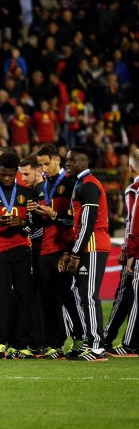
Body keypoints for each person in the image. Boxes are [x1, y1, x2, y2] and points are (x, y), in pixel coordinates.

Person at [0, 152, 38, 359]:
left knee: (24, 296)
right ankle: (1, 342)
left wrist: (23, 223)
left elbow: (36, 226)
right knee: (1, 298)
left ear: (16, 172)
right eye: (4, 174)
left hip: (22, 248)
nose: (8, 178)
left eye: (11, 174)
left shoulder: (28, 192)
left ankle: (21, 344)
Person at [57, 147, 111, 361]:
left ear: (83, 161)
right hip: (86, 245)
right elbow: (79, 224)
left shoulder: (88, 185)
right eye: (66, 160)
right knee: (80, 294)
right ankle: (89, 341)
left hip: (94, 245)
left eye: (71, 160)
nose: (67, 163)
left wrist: (76, 253)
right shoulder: (81, 183)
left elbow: (88, 223)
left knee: (89, 295)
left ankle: (97, 346)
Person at [32, 144, 80, 359]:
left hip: (63, 248)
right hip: (45, 250)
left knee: (66, 296)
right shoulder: (40, 188)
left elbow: (74, 220)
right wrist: (32, 215)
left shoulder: (71, 184)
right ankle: (56, 344)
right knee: (48, 300)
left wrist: (69, 251)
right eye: (40, 165)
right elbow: (38, 223)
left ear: (58, 161)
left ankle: (80, 338)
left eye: (46, 163)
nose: (43, 169)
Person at [103, 149, 139, 357]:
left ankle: (126, 343)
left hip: (136, 251)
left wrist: (128, 251)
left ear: (131, 167)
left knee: (128, 295)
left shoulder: (134, 189)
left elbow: (133, 223)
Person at [19, 154, 47, 354]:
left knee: (51, 297)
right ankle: (38, 341)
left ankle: (55, 341)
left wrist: (24, 229)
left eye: (27, 173)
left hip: (49, 251)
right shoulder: (30, 192)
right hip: (36, 250)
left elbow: (43, 227)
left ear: (39, 171)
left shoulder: (46, 191)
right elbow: (32, 224)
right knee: (34, 296)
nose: (23, 178)